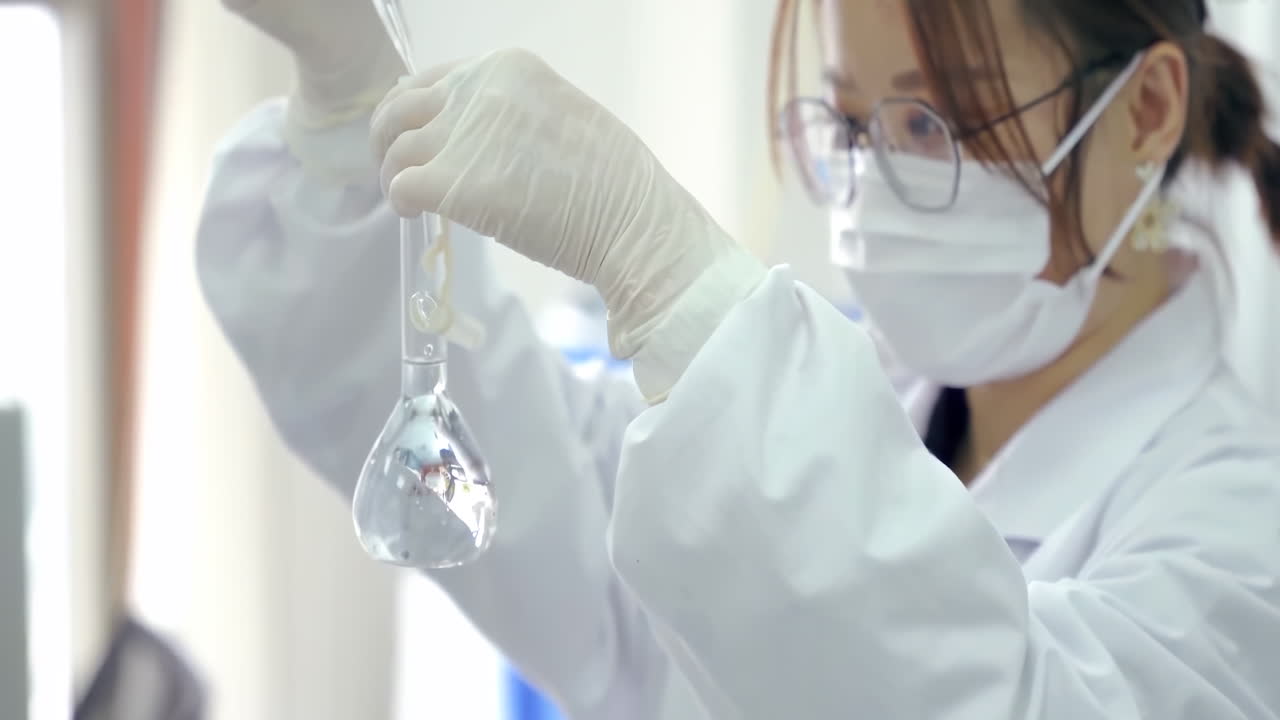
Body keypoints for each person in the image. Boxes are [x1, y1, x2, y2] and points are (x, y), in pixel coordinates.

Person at [201, 0, 1280, 717]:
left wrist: (663, 268)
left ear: (1143, 113)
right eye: (852, 125)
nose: (872, 186)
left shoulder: (1237, 545)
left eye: (931, 125)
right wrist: (347, 99)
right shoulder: (830, 427)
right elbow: (537, 490)